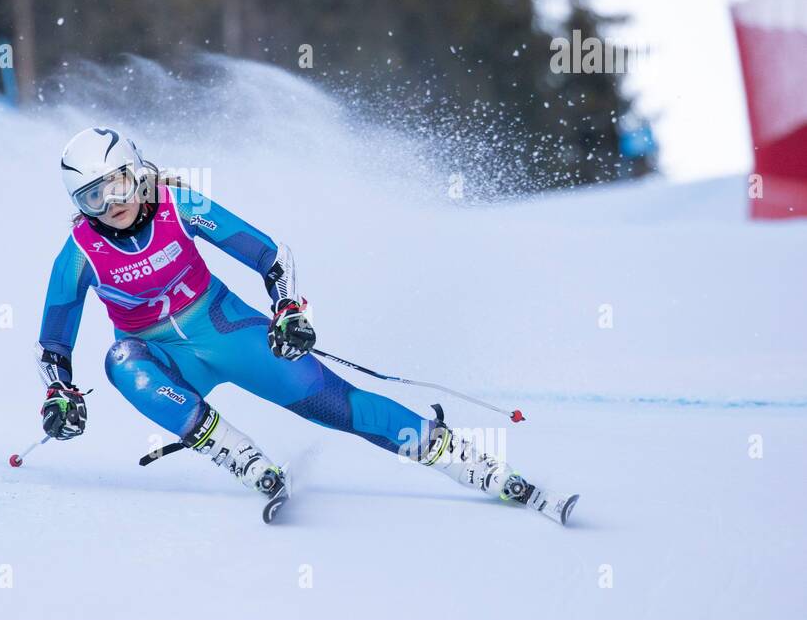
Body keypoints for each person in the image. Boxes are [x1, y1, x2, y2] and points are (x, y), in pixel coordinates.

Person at [36, 126, 569, 519]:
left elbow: (271, 255)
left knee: (341, 407)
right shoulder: (80, 252)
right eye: (93, 196)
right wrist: (59, 393)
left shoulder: (180, 204)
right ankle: (240, 456)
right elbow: (52, 345)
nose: (112, 203)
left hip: (226, 330)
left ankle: (461, 458)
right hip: (161, 360)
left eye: (119, 185)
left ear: (139, 172)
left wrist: (289, 310)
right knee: (119, 361)